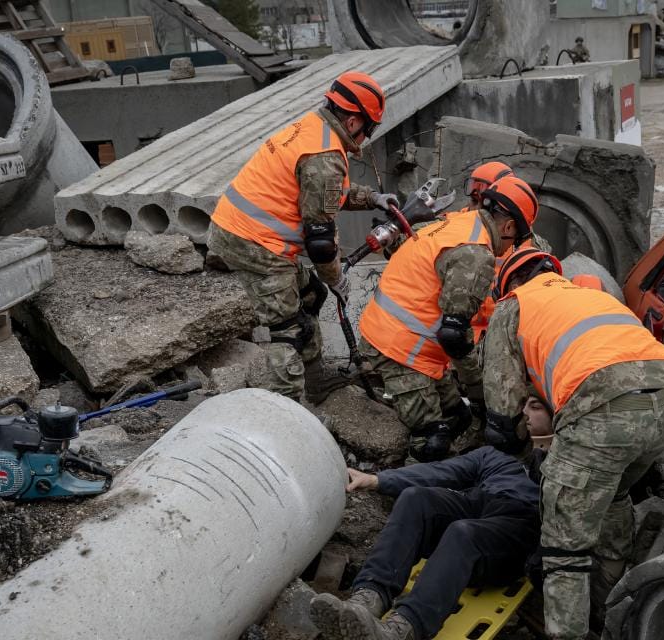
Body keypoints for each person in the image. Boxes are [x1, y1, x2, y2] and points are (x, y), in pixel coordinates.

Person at [481, 249, 664, 640]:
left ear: (510, 284)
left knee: (563, 549)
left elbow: (502, 415)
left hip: (604, 413)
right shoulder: (593, 297)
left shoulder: (514, 306)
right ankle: (607, 610)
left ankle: (570, 631)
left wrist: (528, 460)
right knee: (614, 494)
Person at [208, 71, 399, 405]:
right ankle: (290, 414)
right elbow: (321, 241)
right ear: (354, 122)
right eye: (369, 128)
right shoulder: (324, 157)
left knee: (311, 295)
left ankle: (315, 380)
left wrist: (371, 198)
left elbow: (321, 194)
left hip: (242, 230)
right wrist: (337, 278)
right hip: (256, 243)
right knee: (288, 330)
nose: (366, 136)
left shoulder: (314, 130)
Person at [308, 398, 555, 640]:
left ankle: (402, 629)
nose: (524, 412)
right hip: (481, 510)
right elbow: (440, 472)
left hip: (514, 536)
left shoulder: (565, 468)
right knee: (416, 498)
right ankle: (369, 597)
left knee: (464, 531)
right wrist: (378, 480)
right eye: (524, 405)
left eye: (535, 407)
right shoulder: (497, 457)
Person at [358, 176, 541, 463]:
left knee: (459, 416)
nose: (510, 248)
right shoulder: (476, 253)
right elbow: (453, 336)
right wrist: (478, 388)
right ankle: (406, 481)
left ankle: (450, 465)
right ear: (508, 226)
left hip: (402, 339)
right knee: (434, 439)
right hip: (399, 348)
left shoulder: (458, 224)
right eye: (516, 238)